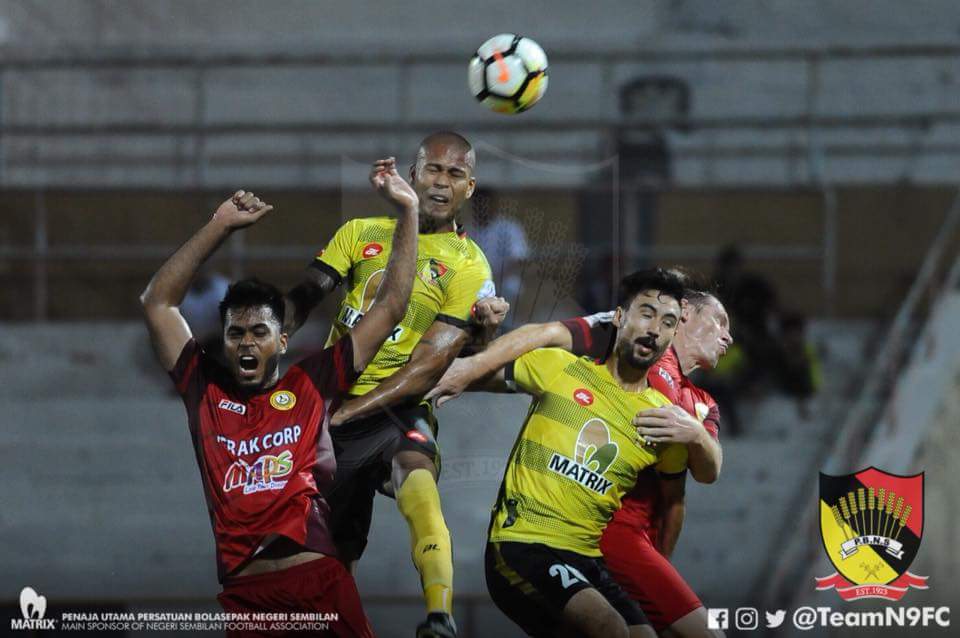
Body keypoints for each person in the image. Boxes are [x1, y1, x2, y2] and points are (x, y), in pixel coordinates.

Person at [140, 158, 419, 637]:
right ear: (223, 341)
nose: (247, 342)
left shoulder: (312, 381)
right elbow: (157, 303)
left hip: (318, 581)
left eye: (259, 331)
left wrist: (409, 211)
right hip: (250, 600)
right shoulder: (203, 390)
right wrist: (220, 225)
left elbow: (392, 305)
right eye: (236, 333)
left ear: (282, 340)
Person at [285, 132, 508, 638]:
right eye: (432, 169)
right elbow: (306, 295)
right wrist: (275, 333)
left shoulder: (469, 264)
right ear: (411, 175)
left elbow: (429, 366)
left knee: (418, 477)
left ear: (469, 187)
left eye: (454, 174)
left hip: (396, 404)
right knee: (334, 561)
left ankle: (439, 615)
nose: (441, 182)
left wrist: (352, 411)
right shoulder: (358, 230)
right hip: (330, 407)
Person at [429, 286, 732, 638]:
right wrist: (473, 352)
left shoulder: (677, 413)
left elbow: (694, 483)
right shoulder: (576, 362)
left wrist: (695, 435)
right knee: (618, 628)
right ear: (620, 318)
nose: (654, 329)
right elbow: (520, 348)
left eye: (664, 322)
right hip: (546, 540)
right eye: (646, 315)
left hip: (594, 552)